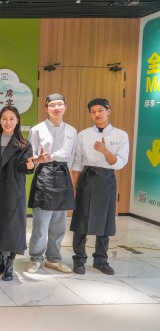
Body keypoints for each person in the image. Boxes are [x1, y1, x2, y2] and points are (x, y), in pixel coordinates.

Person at [71, 98, 129, 275]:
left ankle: (101, 260)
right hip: (87, 178)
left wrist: (105, 150)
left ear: (108, 111)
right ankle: (79, 259)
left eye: (100, 110)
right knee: (81, 220)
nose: (97, 114)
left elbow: (120, 162)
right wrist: (73, 187)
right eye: (93, 111)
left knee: (105, 221)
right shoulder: (83, 135)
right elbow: (77, 162)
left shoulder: (121, 135)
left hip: (107, 180)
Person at [26, 93, 77, 274]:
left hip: (63, 175)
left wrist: (71, 183)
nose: (56, 108)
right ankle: (36, 258)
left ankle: (53, 259)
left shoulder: (72, 131)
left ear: (65, 107)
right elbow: (30, 157)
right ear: (46, 108)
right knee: (41, 223)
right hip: (44, 174)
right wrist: (38, 159)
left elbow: (73, 159)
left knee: (59, 223)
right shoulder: (37, 130)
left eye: (60, 104)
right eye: (52, 105)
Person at [0, 105, 34, 281]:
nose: (8, 122)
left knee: (13, 229)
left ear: (17, 120)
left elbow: (24, 167)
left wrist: (30, 166)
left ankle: (10, 266)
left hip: (14, 192)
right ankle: (1, 263)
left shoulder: (24, 144)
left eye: (12, 118)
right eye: (4, 118)